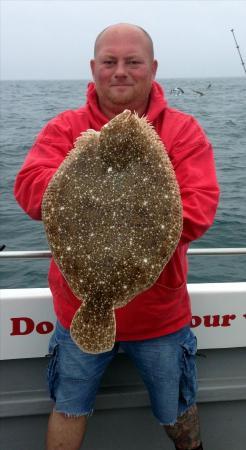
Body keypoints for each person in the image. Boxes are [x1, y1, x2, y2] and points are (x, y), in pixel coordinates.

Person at [14, 23, 220, 450]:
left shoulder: (182, 131)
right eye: (110, 62)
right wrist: (82, 174)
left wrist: (132, 197)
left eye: (133, 62)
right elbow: (29, 190)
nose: (120, 71)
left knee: (179, 409)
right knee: (69, 406)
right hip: (79, 308)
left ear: (153, 68)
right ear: (94, 68)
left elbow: (198, 212)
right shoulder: (65, 128)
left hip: (159, 316)